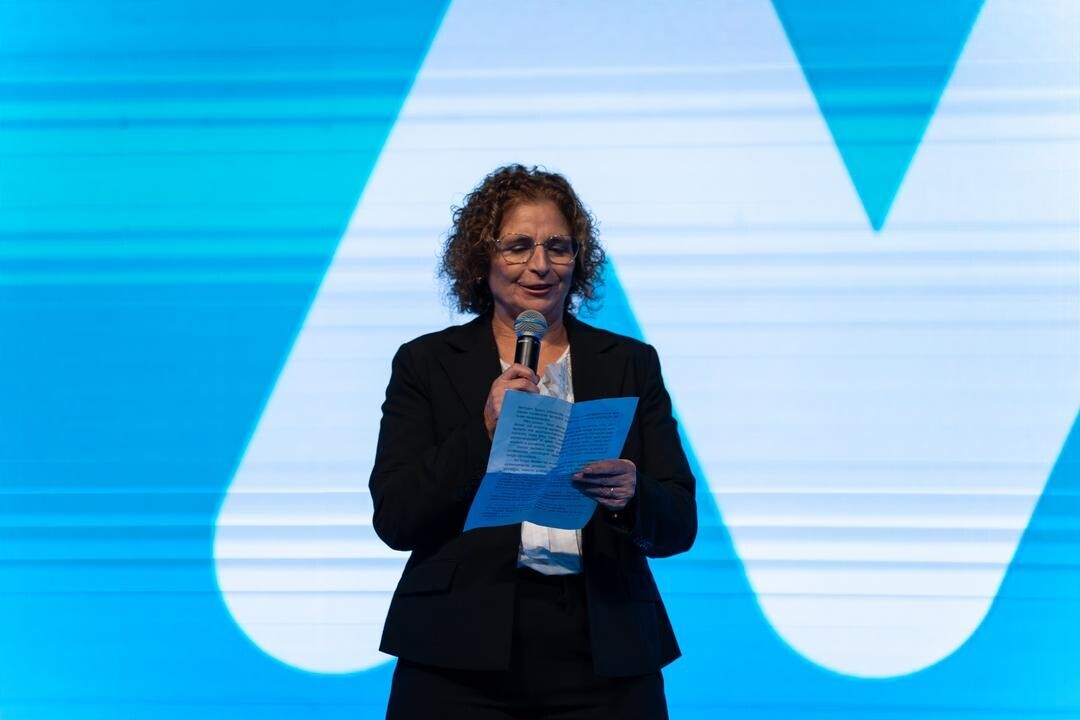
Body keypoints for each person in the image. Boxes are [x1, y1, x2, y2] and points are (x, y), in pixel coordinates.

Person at [370, 164, 697, 719]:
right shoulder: (425, 362)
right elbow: (397, 518)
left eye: (558, 247)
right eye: (518, 246)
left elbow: (679, 523)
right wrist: (483, 433)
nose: (540, 265)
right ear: (481, 259)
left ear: (578, 260)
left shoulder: (630, 363)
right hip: (458, 651)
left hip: (604, 646)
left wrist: (633, 495)